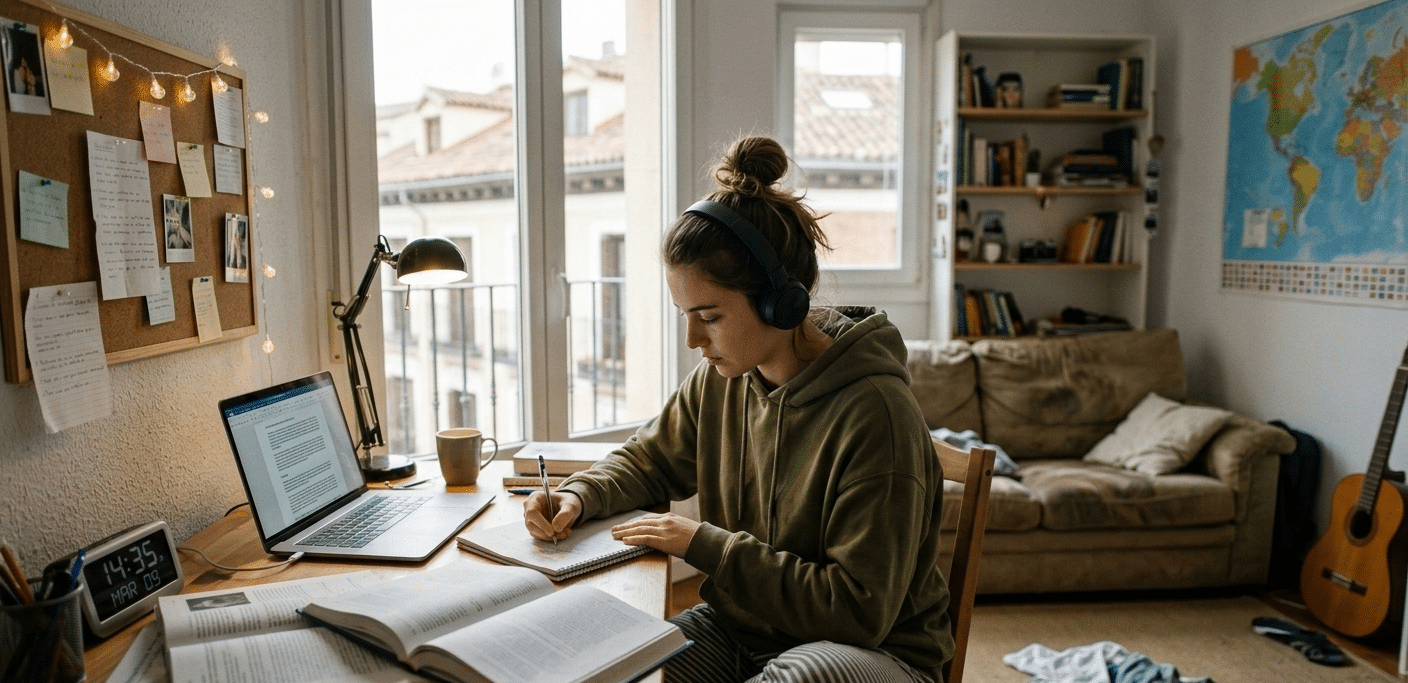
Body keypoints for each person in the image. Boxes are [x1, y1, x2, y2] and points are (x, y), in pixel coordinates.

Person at [524, 135, 952, 682]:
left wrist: (708, 546)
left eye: (709, 315)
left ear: (782, 301)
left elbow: (858, 612)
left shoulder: (876, 414)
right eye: (684, 313)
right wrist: (578, 495)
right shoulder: (721, 380)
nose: (692, 339)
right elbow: (648, 461)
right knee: (619, 667)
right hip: (745, 632)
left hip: (879, 654)